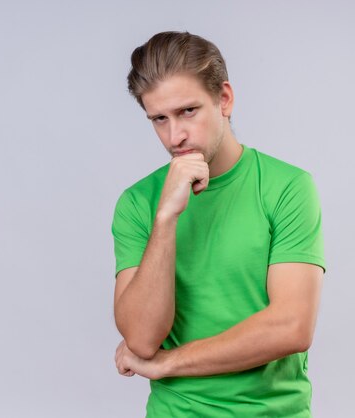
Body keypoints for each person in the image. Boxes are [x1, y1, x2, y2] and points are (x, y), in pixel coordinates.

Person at [112, 31, 326, 417]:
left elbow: (292, 326)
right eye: (159, 119)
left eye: (187, 111)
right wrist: (166, 218)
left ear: (224, 99)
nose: (175, 136)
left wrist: (167, 364)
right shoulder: (139, 203)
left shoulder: (287, 187)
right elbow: (141, 341)